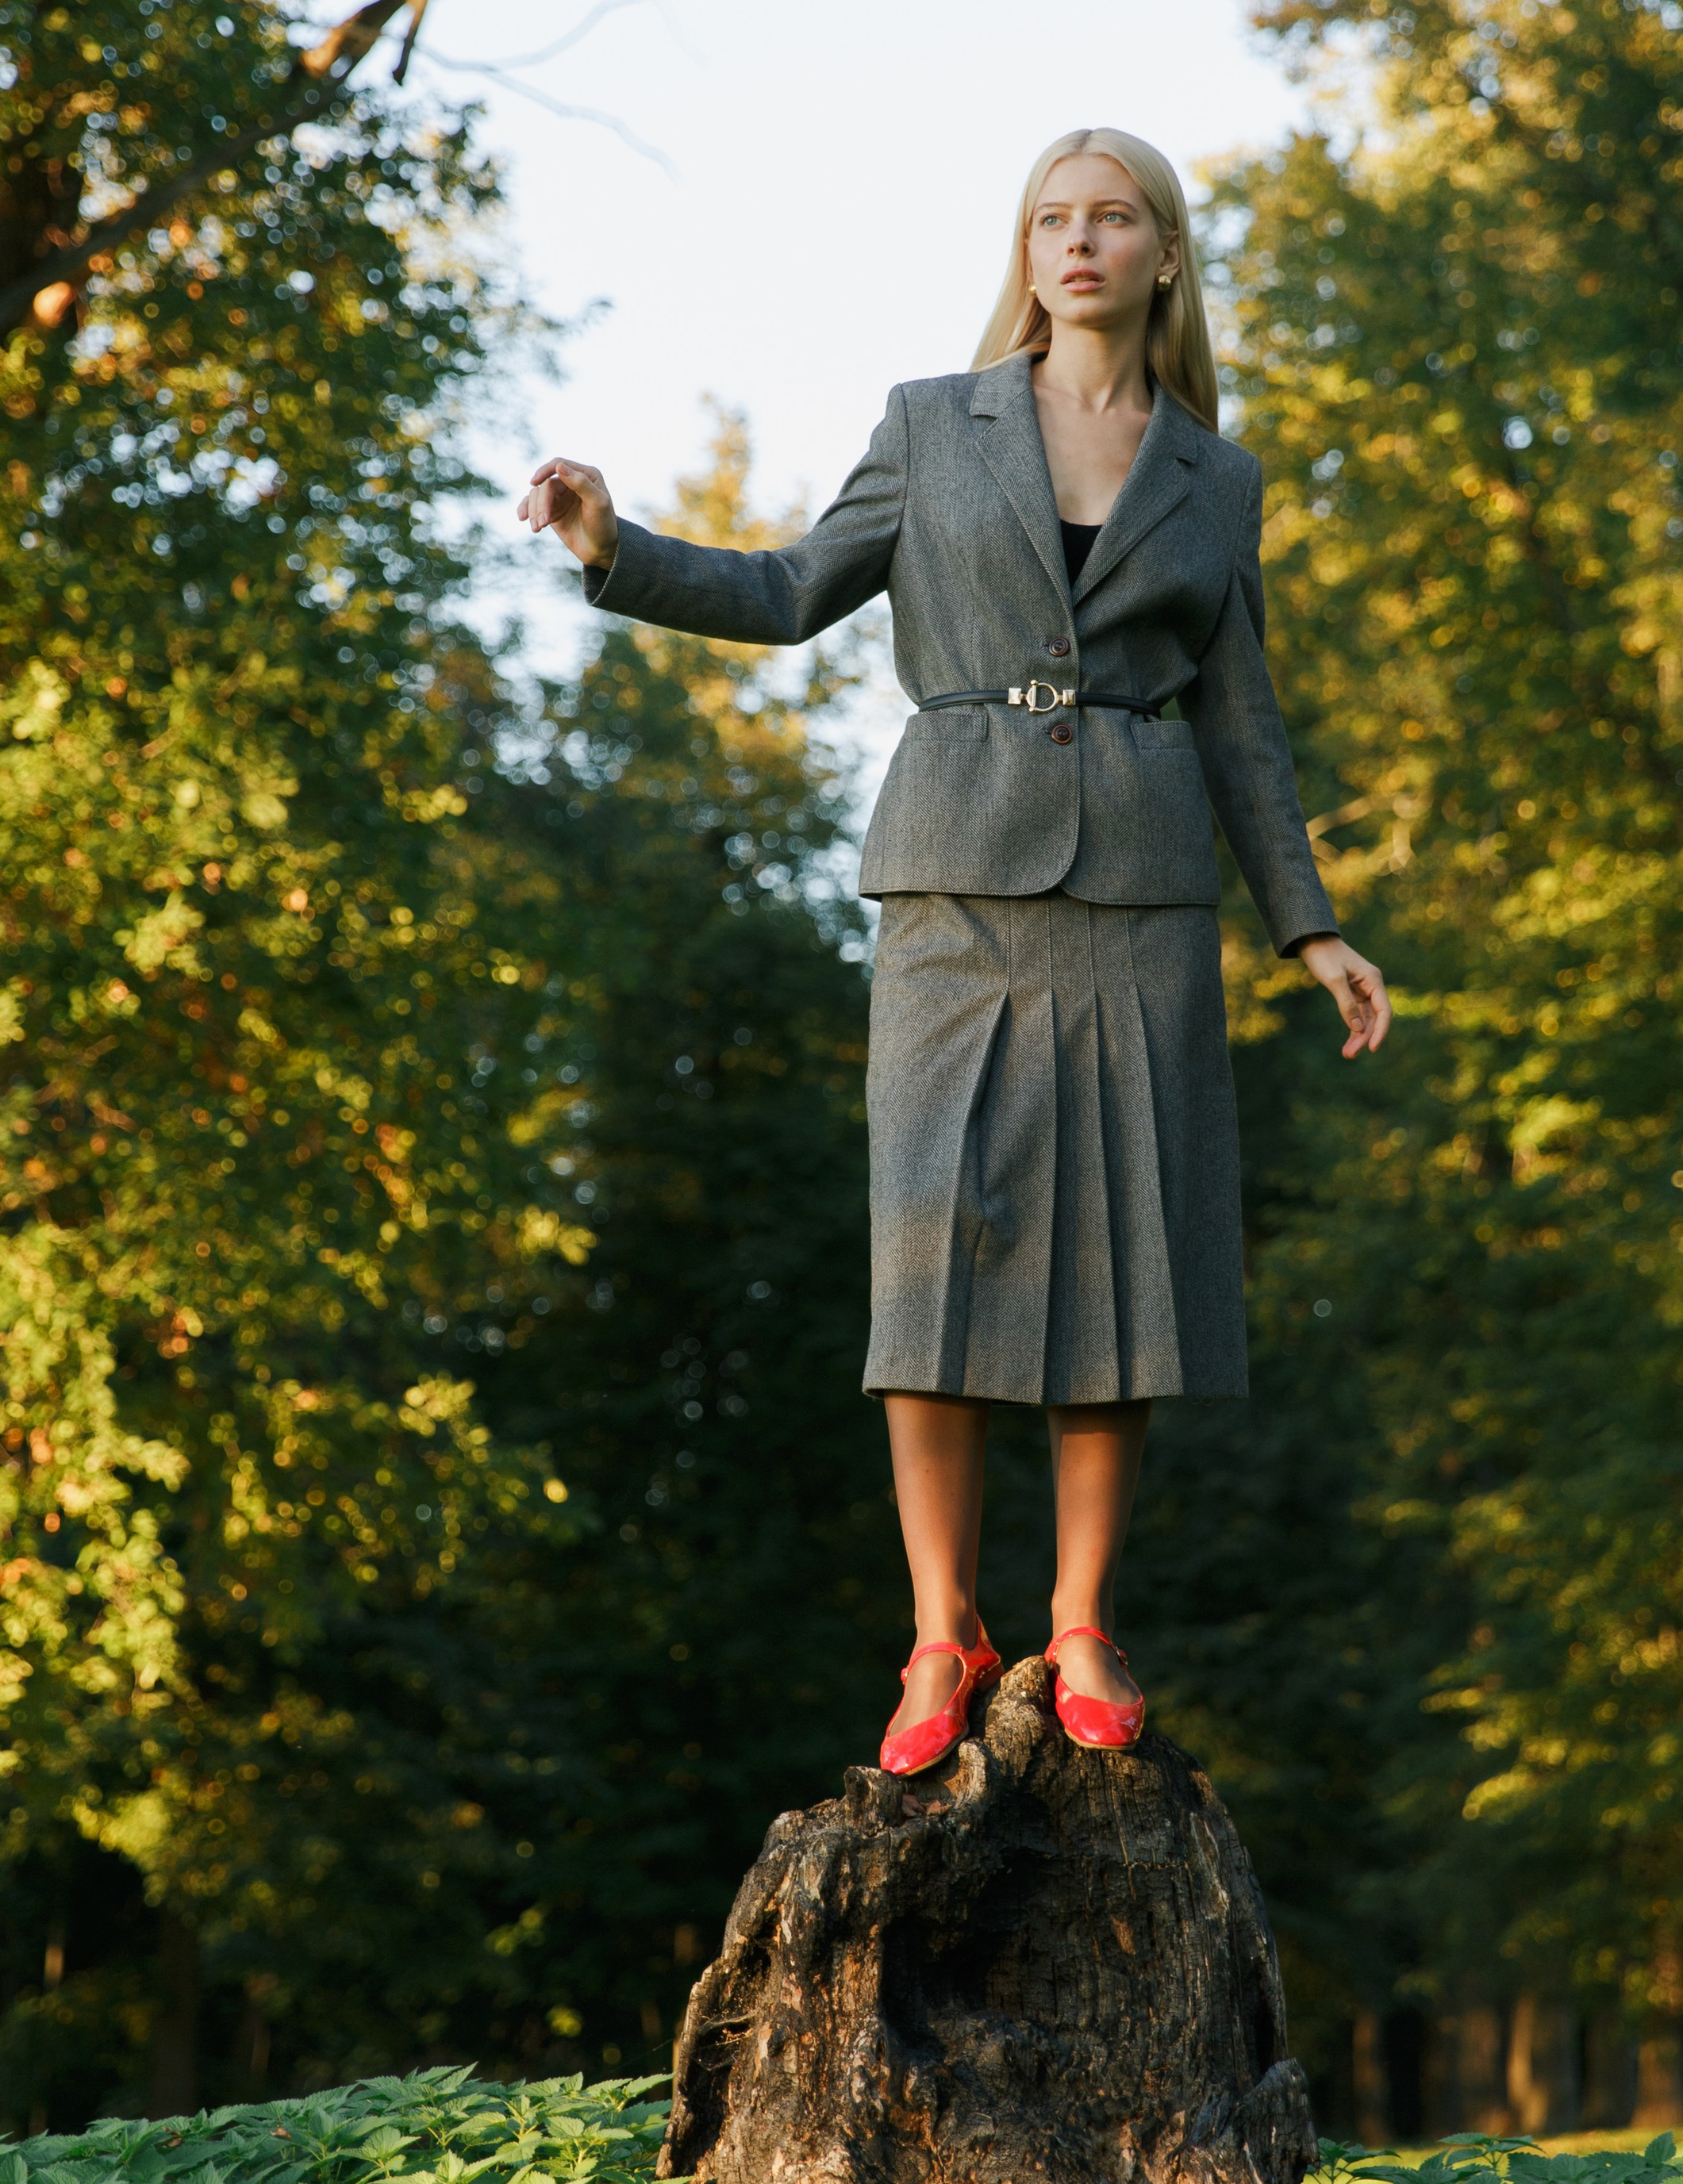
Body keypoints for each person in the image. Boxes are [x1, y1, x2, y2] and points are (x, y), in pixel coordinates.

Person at [519, 125, 1389, 1778]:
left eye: (1110, 217)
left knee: (1117, 1256)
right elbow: (788, 592)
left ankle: (1076, 1620)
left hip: (1138, 897)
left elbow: (1241, 718)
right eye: (1051, 218)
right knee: (932, 1249)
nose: (1077, 241)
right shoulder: (933, 424)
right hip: (949, 891)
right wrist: (611, 547)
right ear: (1028, 249)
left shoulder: (1216, 477)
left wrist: (1312, 925)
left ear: (1160, 255)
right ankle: (937, 1632)